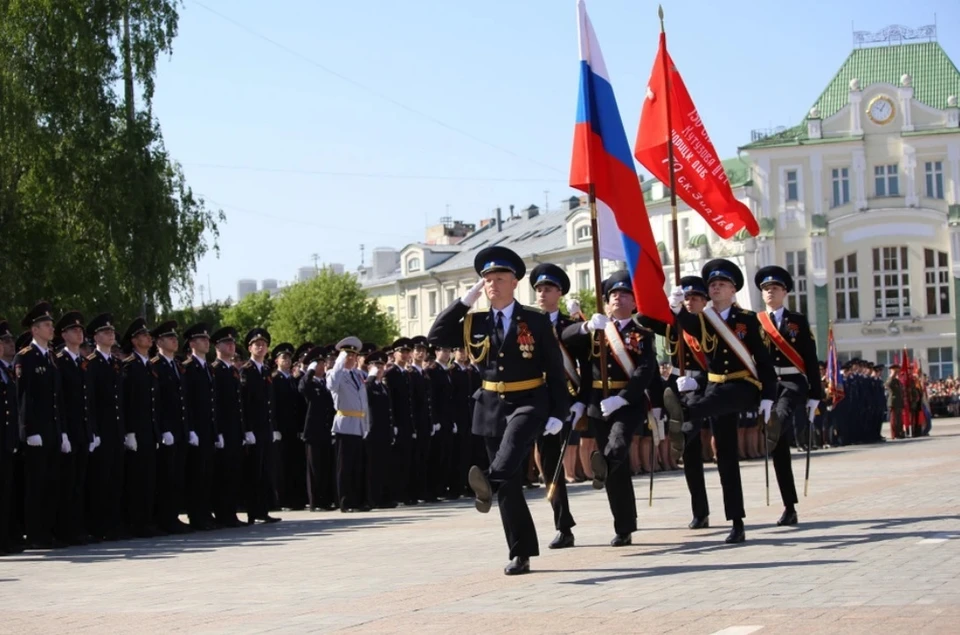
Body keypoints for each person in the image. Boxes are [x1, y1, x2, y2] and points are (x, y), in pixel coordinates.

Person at [427, 246, 567, 575]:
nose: (492, 284)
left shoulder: (534, 319)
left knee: (511, 452)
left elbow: (554, 369)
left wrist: (559, 413)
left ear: (514, 282)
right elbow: (436, 335)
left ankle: (485, 481)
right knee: (510, 484)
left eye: (499, 278)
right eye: (487, 279)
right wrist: (465, 301)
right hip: (490, 406)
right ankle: (520, 552)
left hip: (529, 401)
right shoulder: (474, 321)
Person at [662, 259, 776, 544]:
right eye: (712, 284)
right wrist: (674, 306)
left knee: (710, 403)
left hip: (743, 385)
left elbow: (762, 360)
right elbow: (684, 322)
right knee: (725, 456)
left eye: (721, 284)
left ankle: (683, 414)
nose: (715, 288)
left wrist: (769, 396)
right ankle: (736, 521)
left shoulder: (748, 320)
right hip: (715, 388)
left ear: (733, 290)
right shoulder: (704, 318)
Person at [562, 270, 659, 547]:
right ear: (606, 303)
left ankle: (602, 466)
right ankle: (624, 526)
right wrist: (585, 326)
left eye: (625, 294)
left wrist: (624, 397)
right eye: (613, 294)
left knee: (617, 445)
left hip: (627, 403)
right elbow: (564, 338)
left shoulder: (642, 335)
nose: (618, 298)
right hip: (597, 403)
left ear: (634, 302)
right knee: (617, 471)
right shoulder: (597, 329)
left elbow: (645, 370)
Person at [641, 276, 712, 530]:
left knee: (687, 431)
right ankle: (700, 512)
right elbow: (643, 319)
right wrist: (650, 294)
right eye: (687, 298)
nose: (690, 302)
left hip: (701, 387)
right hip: (675, 385)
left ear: (705, 302)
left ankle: (679, 434)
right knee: (692, 459)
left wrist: (699, 382)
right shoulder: (673, 325)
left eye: (696, 298)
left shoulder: (711, 325)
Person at [754, 265, 823, 526]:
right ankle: (789, 506)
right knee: (779, 448)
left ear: (785, 292)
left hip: (793, 381)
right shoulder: (756, 321)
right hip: (769, 383)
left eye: (774, 288)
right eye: (765, 289)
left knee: (780, 416)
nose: (770, 292)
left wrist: (816, 394)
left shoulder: (797, 321)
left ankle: (774, 425)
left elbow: (809, 357)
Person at [529, 262, 582, 549]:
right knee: (551, 466)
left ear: (559, 293)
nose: (541, 292)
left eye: (547, 288)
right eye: (538, 288)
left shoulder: (570, 327)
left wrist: (580, 401)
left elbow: (583, 366)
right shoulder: (526, 325)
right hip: (538, 402)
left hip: (569, 403)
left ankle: (622, 521)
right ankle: (563, 525)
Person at [53, 311, 93, 545]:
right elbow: (60, 400)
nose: (79, 333)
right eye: (74, 330)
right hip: (69, 431)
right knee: (67, 484)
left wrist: (92, 430)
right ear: (64, 335)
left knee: (80, 483)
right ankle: (66, 529)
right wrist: (64, 432)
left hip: (83, 431)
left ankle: (78, 528)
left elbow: (88, 401)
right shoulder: (60, 361)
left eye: (81, 330)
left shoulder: (82, 362)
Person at [121, 317, 161, 538]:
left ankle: (146, 521)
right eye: (145, 336)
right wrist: (129, 432)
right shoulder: (130, 366)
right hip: (136, 431)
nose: (149, 338)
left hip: (149, 429)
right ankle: (136, 522)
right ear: (135, 341)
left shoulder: (148, 366)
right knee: (137, 479)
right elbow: (128, 401)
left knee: (148, 478)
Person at [151, 321, 192, 535]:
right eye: (169, 338)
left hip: (180, 428)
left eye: (175, 337)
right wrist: (163, 428)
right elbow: (158, 401)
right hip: (167, 430)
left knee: (177, 476)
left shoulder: (177, 365)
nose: (174, 340)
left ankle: (173, 515)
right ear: (159, 342)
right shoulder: (155, 365)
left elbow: (183, 399)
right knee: (166, 477)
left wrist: (188, 428)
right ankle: (164, 518)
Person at [84, 314, 122, 541]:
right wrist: (94, 431)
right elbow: (90, 401)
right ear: (96, 337)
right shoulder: (92, 363)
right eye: (106, 332)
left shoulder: (116, 363)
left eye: (112, 331)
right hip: (102, 431)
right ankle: (100, 527)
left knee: (116, 479)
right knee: (101, 481)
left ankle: (114, 524)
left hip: (117, 430)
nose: (111, 335)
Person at [240, 328, 281, 525]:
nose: (260, 346)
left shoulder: (265, 370)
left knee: (265, 470)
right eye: (257, 344)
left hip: (265, 428)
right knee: (253, 471)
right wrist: (247, 429)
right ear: (249, 347)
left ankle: (263, 510)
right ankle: (251, 511)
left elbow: (269, 402)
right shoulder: (246, 370)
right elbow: (245, 402)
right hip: (253, 429)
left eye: (263, 344)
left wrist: (272, 426)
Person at [326, 336, 370, 513]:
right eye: (347, 355)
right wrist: (338, 362)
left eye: (353, 355)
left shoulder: (358, 375)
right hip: (344, 425)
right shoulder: (335, 374)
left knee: (358, 466)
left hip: (359, 424)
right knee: (345, 467)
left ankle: (358, 500)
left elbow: (364, 401)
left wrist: (366, 424)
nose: (350, 358)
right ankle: (345, 502)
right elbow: (331, 385)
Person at [182, 323, 219, 530]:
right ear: (192, 343)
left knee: (207, 474)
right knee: (196, 474)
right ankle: (196, 515)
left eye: (207, 339)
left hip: (208, 427)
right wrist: (191, 429)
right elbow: (187, 401)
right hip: (196, 428)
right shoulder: (188, 367)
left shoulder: (207, 368)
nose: (206, 342)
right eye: (202, 340)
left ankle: (205, 512)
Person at [210, 327, 246, 527]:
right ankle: (223, 514)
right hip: (223, 429)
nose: (231, 346)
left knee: (233, 472)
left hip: (234, 429)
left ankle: (230, 513)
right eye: (227, 343)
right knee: (223, 474)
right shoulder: (215, 369)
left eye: (232, 343)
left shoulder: (232, 370)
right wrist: (218, 431)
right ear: (217, 347)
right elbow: (216, 403)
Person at [300, 346, 337, 511]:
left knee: (325, 466)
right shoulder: (309, 382)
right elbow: (302, 388)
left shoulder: (325, 383)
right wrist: (309, 371)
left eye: (323, 363)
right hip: (313, 431)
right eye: (319, 364)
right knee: (315, 468)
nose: (322, 366)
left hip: (326, 429)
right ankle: (316, 501)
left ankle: (326, 499)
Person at [272, 342, 306, 511]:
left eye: (288, 357)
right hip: (281, 429)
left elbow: (298, 406)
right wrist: (275, 427)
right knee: (282, 466)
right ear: (276, 361)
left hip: (293, 429)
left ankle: (294, 499)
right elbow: (273, 405)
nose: (286, 360)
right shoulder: (275, 379)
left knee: (294, 465)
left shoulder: (293, 380)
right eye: (283, 357)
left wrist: (300, 427)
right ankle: (282, 500)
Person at [383, 338, 416, 506]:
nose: (404, 355)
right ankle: (398, 493)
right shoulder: (391, 373)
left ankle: (406, 492)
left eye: (406, 352)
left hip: (407, 422)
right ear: (394, 353)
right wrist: (393, 424)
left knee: (407, 460)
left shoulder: (406, 373)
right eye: (401, 352)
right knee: (398, 461)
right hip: (397, 423)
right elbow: (390, 401)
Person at [364, 350, 396, 508]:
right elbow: (365, 395)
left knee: (385, 466)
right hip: (372, 431)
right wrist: (370, 376)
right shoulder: (367, 384)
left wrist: (391, 429)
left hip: (384, 431)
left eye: (381, 365)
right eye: (376, 365)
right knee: (373, 467)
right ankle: (373, 498)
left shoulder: (383, 387)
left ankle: (385, 497)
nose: (379, 369)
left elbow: (389, 410)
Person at [0, 320, 21, 555]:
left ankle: (6, 538)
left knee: (7, 490)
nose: (7, 344)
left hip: (7, 439)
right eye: (3, 341)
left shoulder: (8, 371)